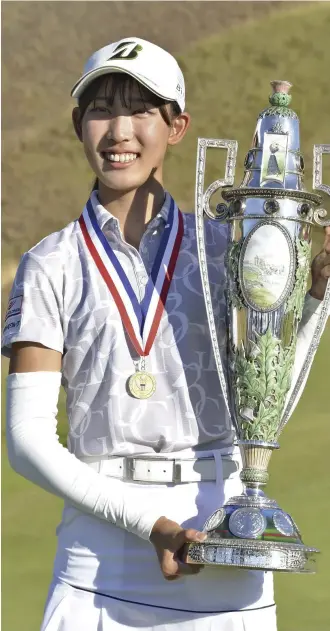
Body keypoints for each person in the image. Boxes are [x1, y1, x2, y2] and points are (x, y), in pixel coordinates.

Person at [2, 37, 330, 631]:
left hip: (225, 541)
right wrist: (149, 524)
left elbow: (266, 401)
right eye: (101, 109)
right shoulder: (49, 264)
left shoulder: (230, 249)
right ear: (78, 124)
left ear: (176, 127)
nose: (119, 131)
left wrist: (312, 298)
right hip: (99, 565)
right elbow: (26, 440)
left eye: (141, 110)